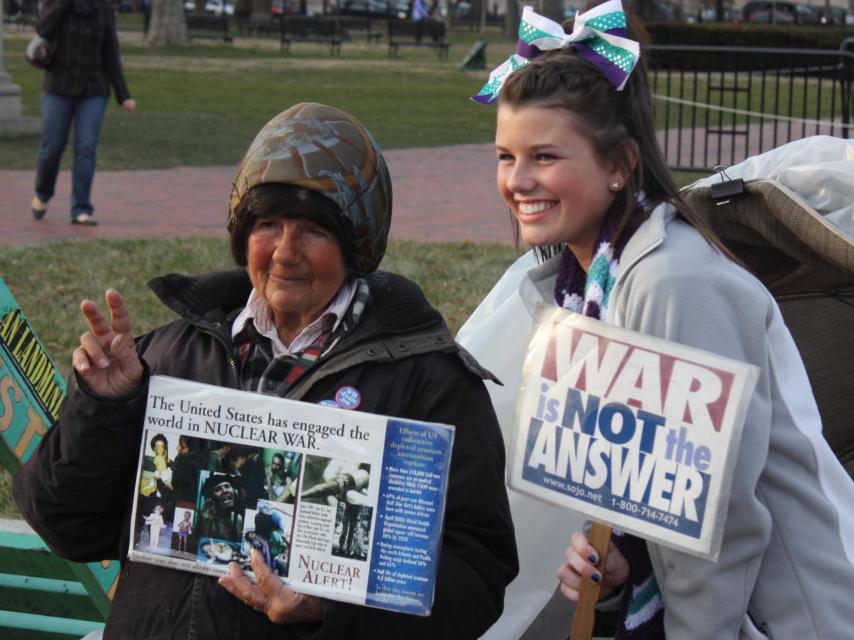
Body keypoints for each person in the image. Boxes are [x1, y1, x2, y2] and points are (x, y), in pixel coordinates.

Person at [13, 102, 517, 639]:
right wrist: (106, 408)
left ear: (357, 243)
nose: (284, 252)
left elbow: (477, 575)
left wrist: (331, 612)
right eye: (267, 224)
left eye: (312, 230)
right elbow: (65, 525)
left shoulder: (429, 381)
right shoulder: (170, 355)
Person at [458, 1, 854, 638]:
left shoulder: (673, 283)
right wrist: (616, 573)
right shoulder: (587, 280)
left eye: (545, 157)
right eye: (506, 156)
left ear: (619, 164)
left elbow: (719, 527)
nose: (518, 181)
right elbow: (645, 488)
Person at [31, 0, 135, 226]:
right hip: (58, 86)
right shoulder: (57, 4)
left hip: (93, 89)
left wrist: (123, 94)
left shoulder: (104, 8)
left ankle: (81, 208)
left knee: (86, 148)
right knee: (52, 147)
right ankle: (42, 194)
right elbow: (43, 30)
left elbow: (111, 52)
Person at [196, 474, 244, 541]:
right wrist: (206, 523)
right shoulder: (204, 519)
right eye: (218, 489)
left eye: (227, 486)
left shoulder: (238, 519)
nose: (224, 491)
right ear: (212, 498)